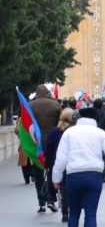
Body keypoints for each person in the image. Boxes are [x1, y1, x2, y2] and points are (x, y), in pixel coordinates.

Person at [30, 84, 61, 213]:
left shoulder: (30, 105)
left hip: (36, 143)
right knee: (52, 171)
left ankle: (41, 202)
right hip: (52, 143)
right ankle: (52, 199)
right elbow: (59, 124)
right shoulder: (55, 105)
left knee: (38, 173)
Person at [45, 109, 74, 223]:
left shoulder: (54, 131)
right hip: (71, 163)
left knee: (61, 189)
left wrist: (48, 165)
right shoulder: (73, 130)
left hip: (56, 163)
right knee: (70, 188)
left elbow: (49, 148)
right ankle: (71, 208)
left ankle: (64, 213)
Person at [14, 118, 33, 185]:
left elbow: (16, 130)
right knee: (33, 160)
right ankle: (33, 174)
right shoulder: (34, 118)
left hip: (24, 142)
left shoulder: (21, 119)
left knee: (24, 162)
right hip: (33, 143)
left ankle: (26, 178)